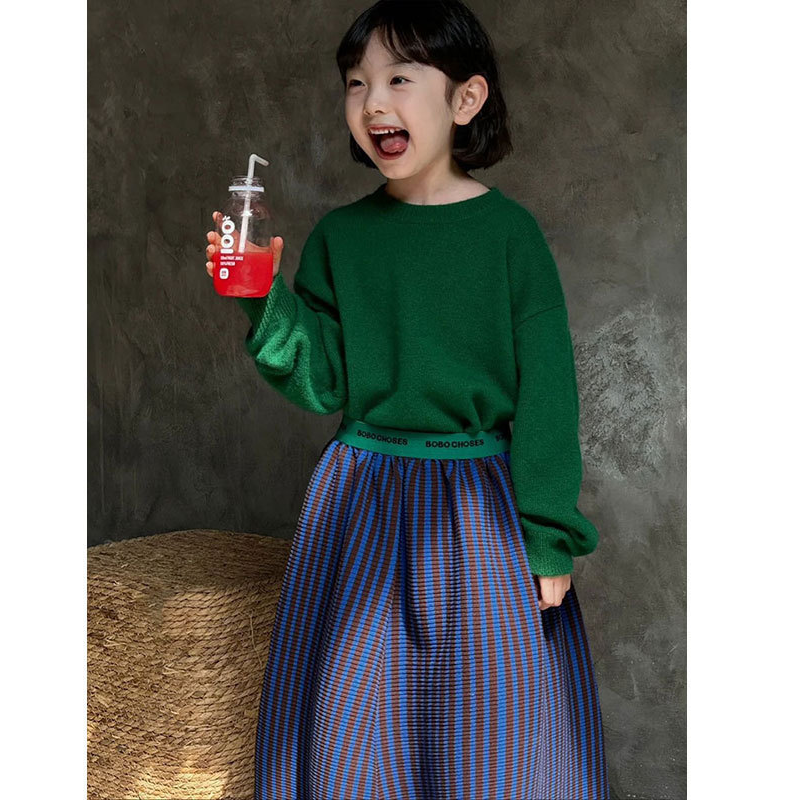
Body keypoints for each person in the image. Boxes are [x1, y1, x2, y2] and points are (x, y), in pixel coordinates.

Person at [204, 1, 609, 797]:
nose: (372, 103)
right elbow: (324, 378)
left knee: (491, 721)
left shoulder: (511, 236)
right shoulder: (341, 238)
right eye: (355, 84)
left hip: (479, 512)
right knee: (357, 723)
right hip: (360, 500)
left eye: (398, 78)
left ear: (466, 98)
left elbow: (549, 395)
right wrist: (263, 302)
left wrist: (549, 538)